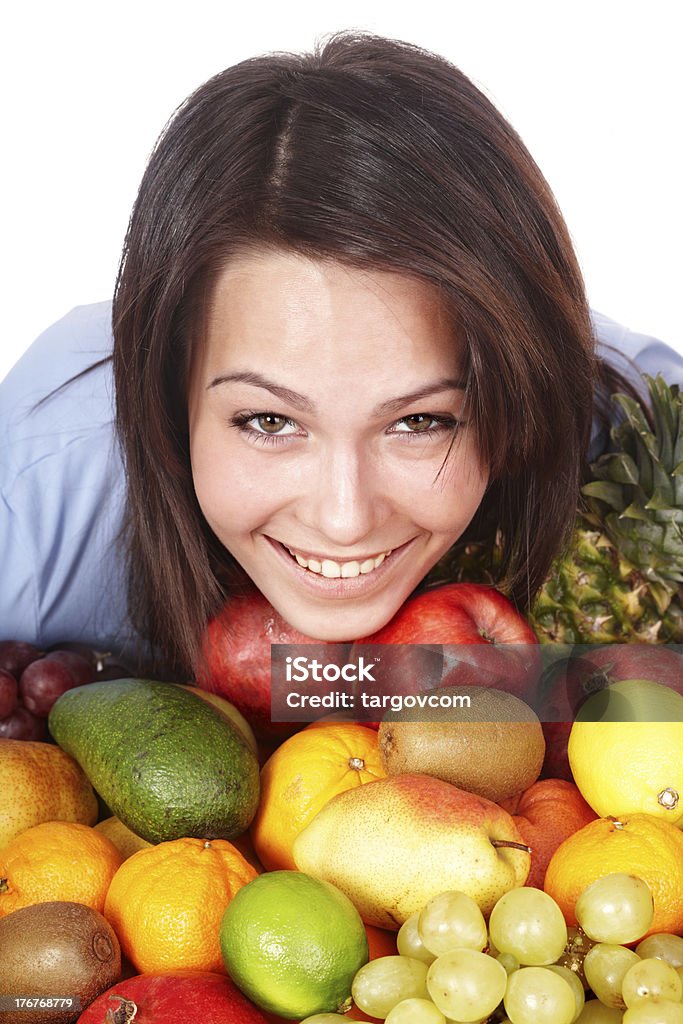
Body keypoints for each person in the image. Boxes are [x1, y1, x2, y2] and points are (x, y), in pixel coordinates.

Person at [1, 32, 681, 676]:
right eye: (268, 421)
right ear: (167, 392)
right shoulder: (38, 498)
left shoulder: (633, 416)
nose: (343, 518)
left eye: (419, 422)